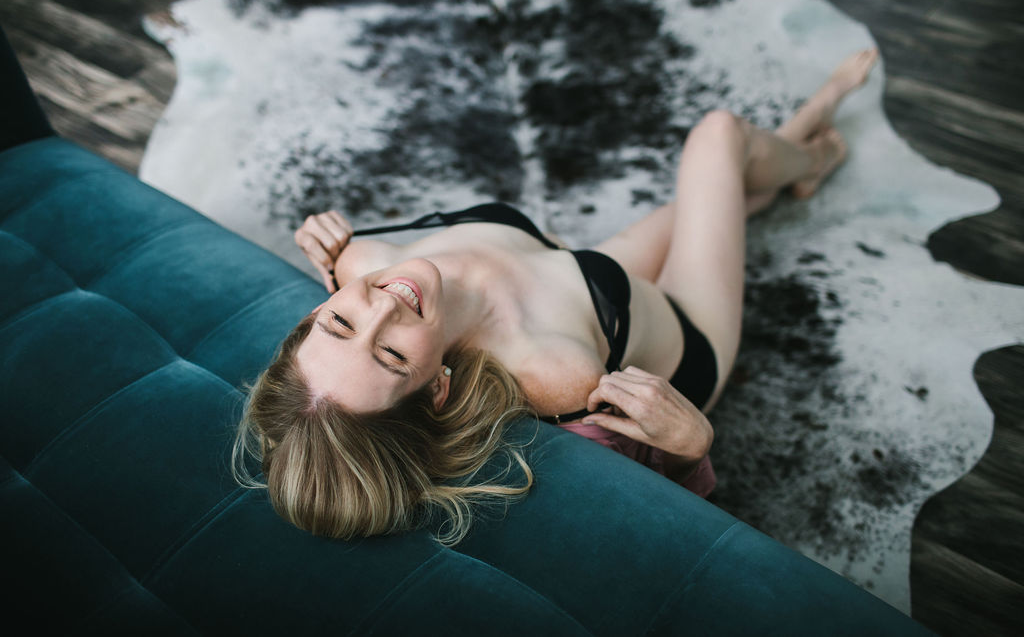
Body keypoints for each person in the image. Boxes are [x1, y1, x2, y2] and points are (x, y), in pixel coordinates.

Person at [234, 49, 879, 545]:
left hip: (591, 277)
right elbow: (653, 507)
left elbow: (355, 324)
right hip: (686, 330)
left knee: (716, 194)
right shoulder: (557, 378)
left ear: (315, 311)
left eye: (340, 323)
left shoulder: (355, 261)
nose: (382, 305)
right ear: (438, 389)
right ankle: (807, 159)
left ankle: (791, 148)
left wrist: (325, 248)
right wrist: (690, 448)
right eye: (393, 356)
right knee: (719, 139)